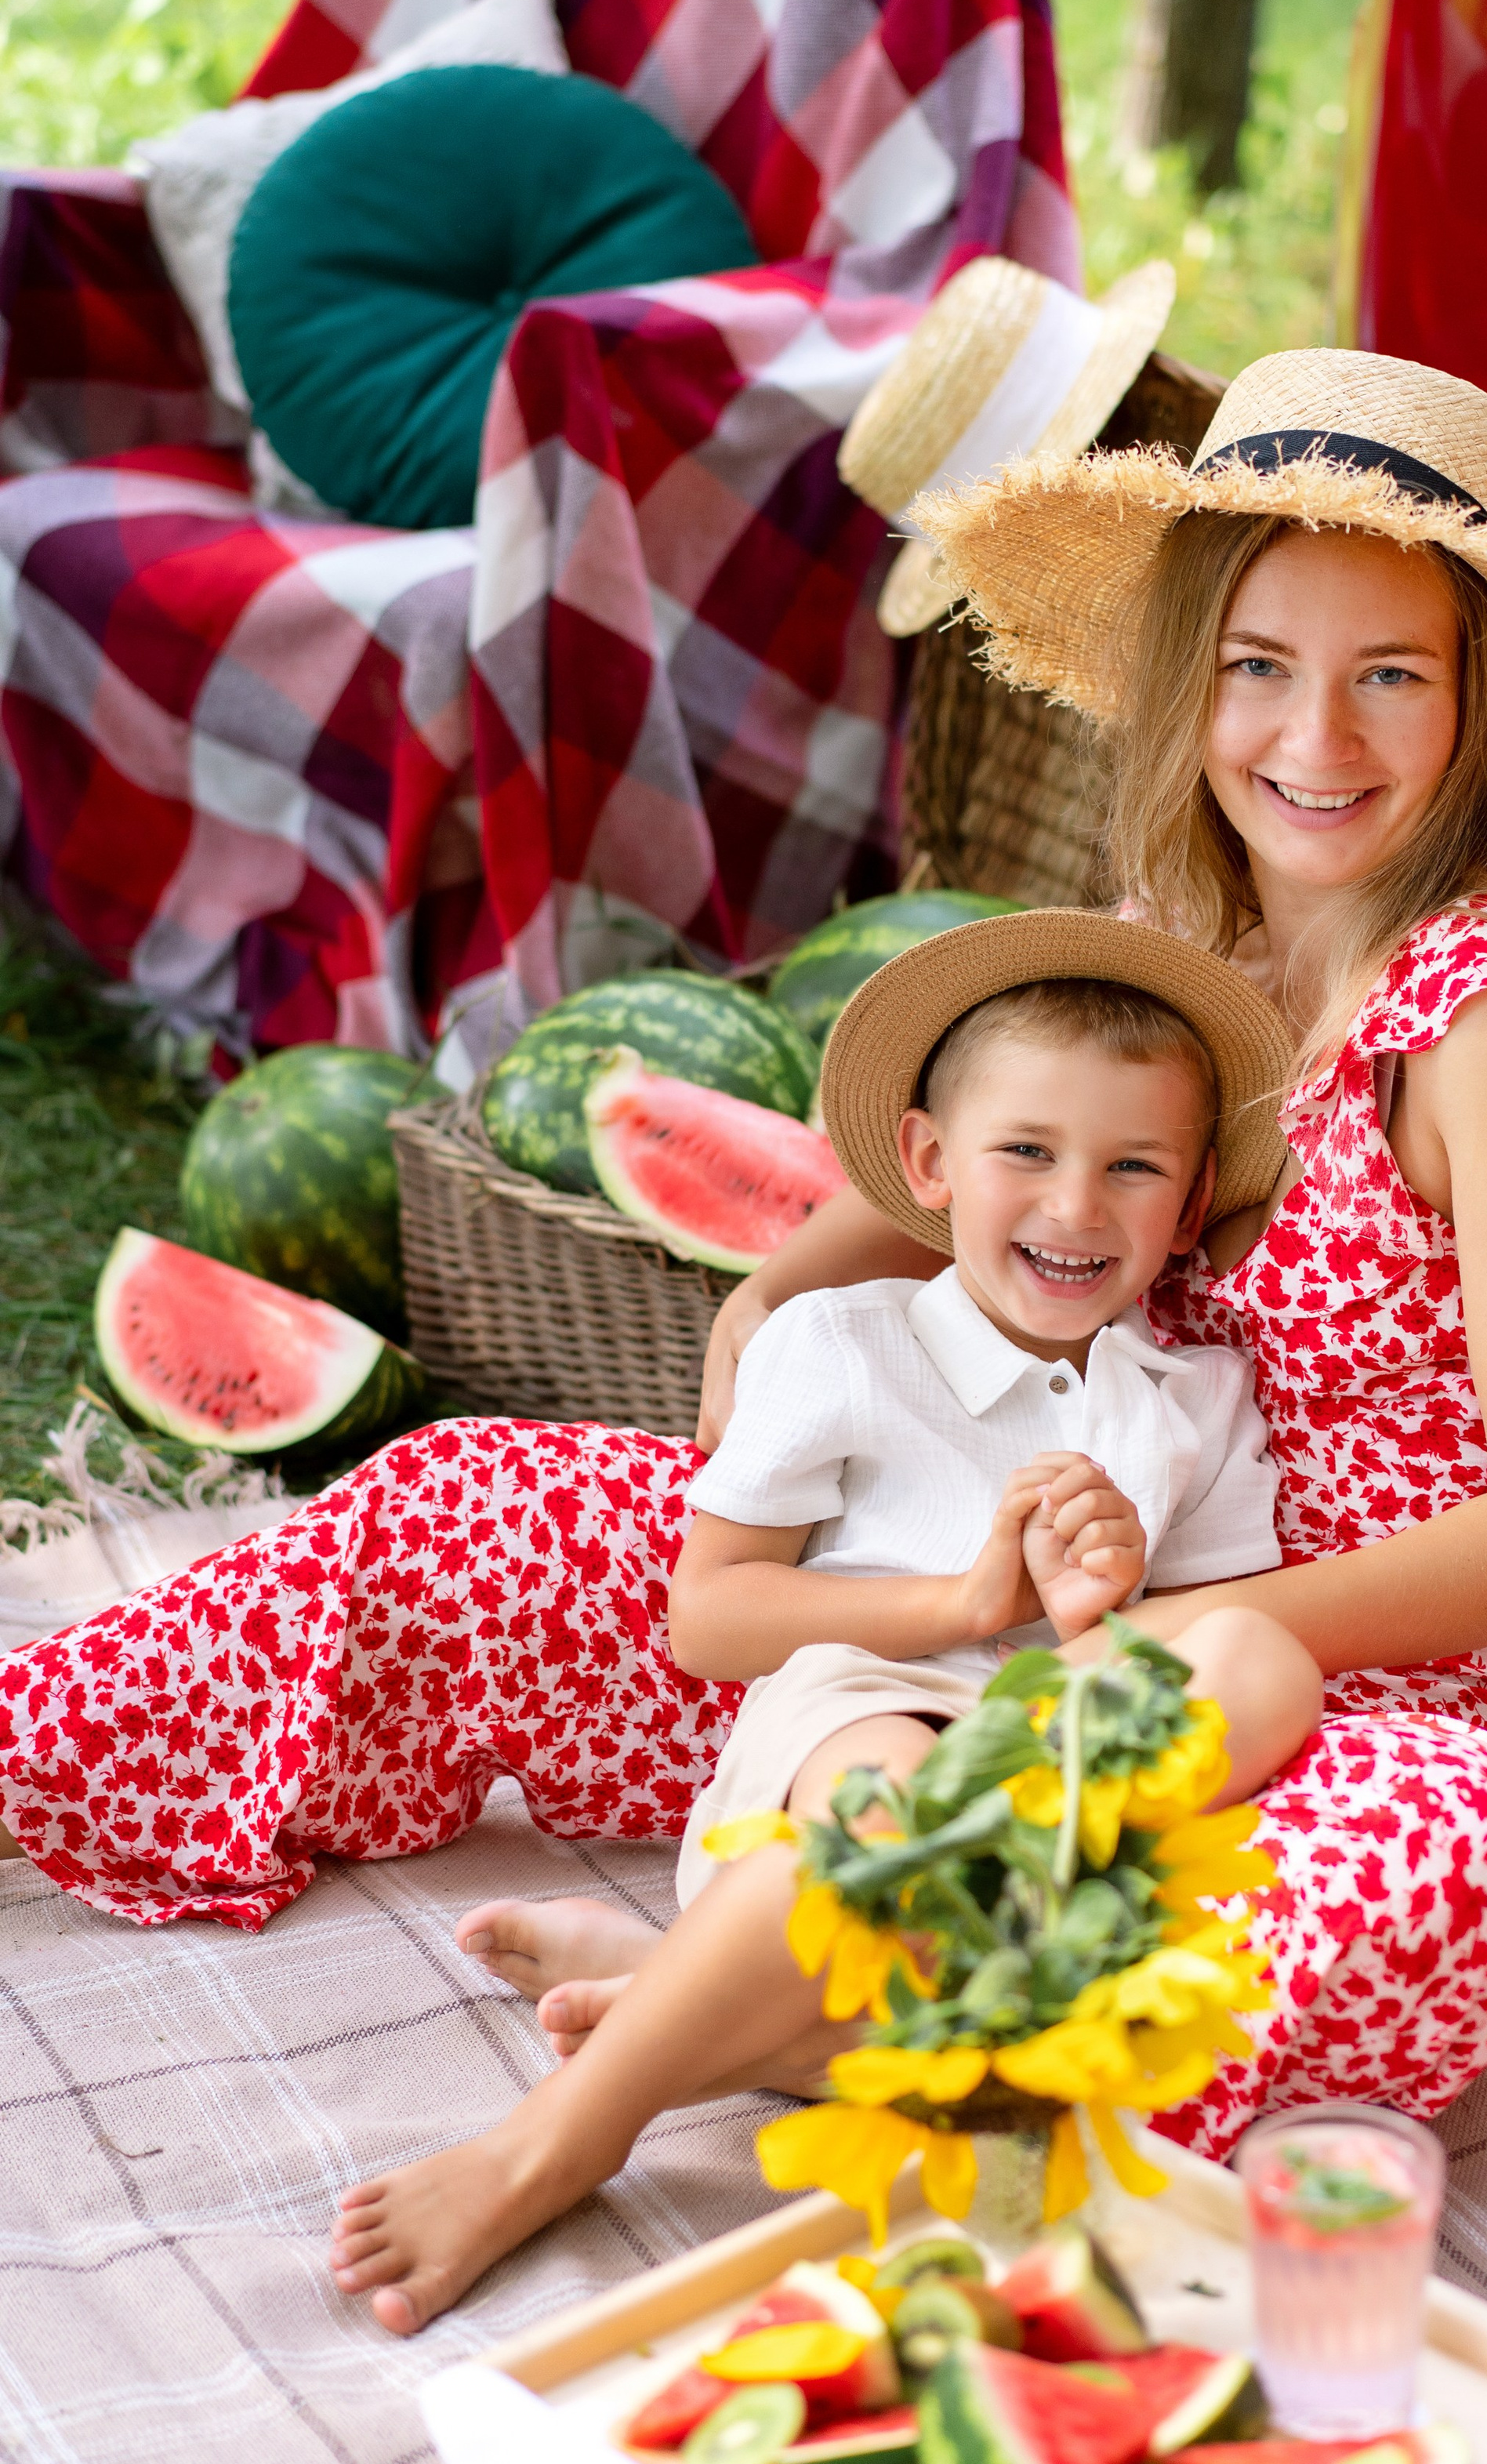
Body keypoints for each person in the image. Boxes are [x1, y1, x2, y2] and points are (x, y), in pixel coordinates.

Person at [0, 347, 1487, 2175]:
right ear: (1191, 675)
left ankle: (740, 2010)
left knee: (1403, 1901)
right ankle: (39, 1749)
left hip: (1365, 1687)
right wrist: (780, 1290)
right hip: (996, 1573)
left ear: (1483, 703)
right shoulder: (1197, 924)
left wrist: (1175, 1639)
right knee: (470, 1500)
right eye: (1259, 667)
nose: (1310, 740)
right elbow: (964, 1158)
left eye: (1387, 676)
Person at [327, 924, 1318, 2329]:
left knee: (1264, 1660)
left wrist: (1101, 1610)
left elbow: (1177, 1647)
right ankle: (560, 2139)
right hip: (863, 1697)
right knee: (900, 1836)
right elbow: (711, 1617)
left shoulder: (1199, 1403)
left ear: (1192, 1195)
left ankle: (685, 1986)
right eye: (1024, 1152)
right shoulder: (844, 1344)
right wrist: (964, 1604)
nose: (1077, 1207)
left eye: (1134, 1168)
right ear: (927, 1164)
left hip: (1059, 1757)